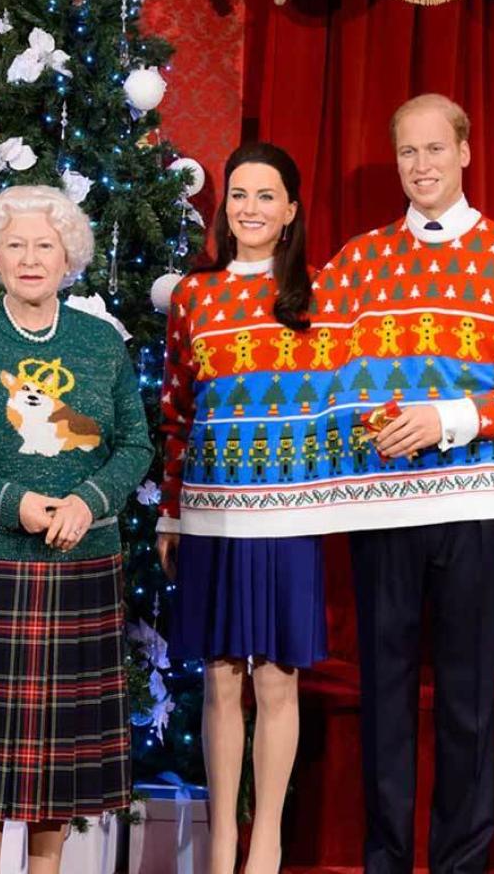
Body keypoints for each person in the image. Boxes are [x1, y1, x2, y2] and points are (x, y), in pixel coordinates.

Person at [317, 93, 494, 873]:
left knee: (466, 698)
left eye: (434, 149)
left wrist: (449, 419)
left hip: (472, 504)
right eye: (407, 152)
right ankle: (385, 859)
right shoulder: (356, 262)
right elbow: (320, 377)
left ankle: (462, 862)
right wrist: (376, 425)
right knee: (385, 697)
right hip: (379, 505)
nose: (421, 166)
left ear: (464, 152)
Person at [0, 186, 152, 874]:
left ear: (68, 256)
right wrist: (11, 501)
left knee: (59, 753)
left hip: (82, 561)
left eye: (45, 244)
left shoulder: (100, 342)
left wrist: (89, 500)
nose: (30, 258)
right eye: (14, 244)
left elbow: (135, 444)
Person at [156, 143, 330, 874]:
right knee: (221, 676)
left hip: (289, 516)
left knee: (277, 677)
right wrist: (171, 513)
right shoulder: (194, 296)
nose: (250, 208)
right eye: (238, 195)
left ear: (290, 210)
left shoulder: (322, 296)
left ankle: (267, 844)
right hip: (212, 513)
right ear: (223, 208)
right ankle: (221, 839)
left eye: (265, 196)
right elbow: (176, 411)